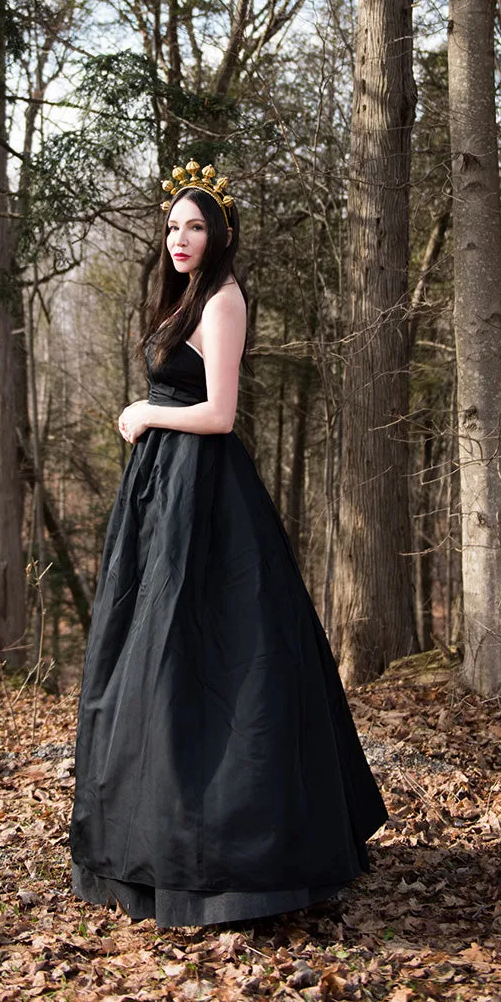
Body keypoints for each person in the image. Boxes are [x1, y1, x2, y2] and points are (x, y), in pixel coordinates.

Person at [69, 158, 387, 928]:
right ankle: (152, 838)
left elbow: (219, 412)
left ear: (222, 236)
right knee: (153, 657)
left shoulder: (223, 301)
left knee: (218, 657)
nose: (180, 238)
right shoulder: (183, 299)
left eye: (195, 226)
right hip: (166, 499)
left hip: (207, 499)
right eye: (173, 226)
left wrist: (146, 413)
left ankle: (237, 852)